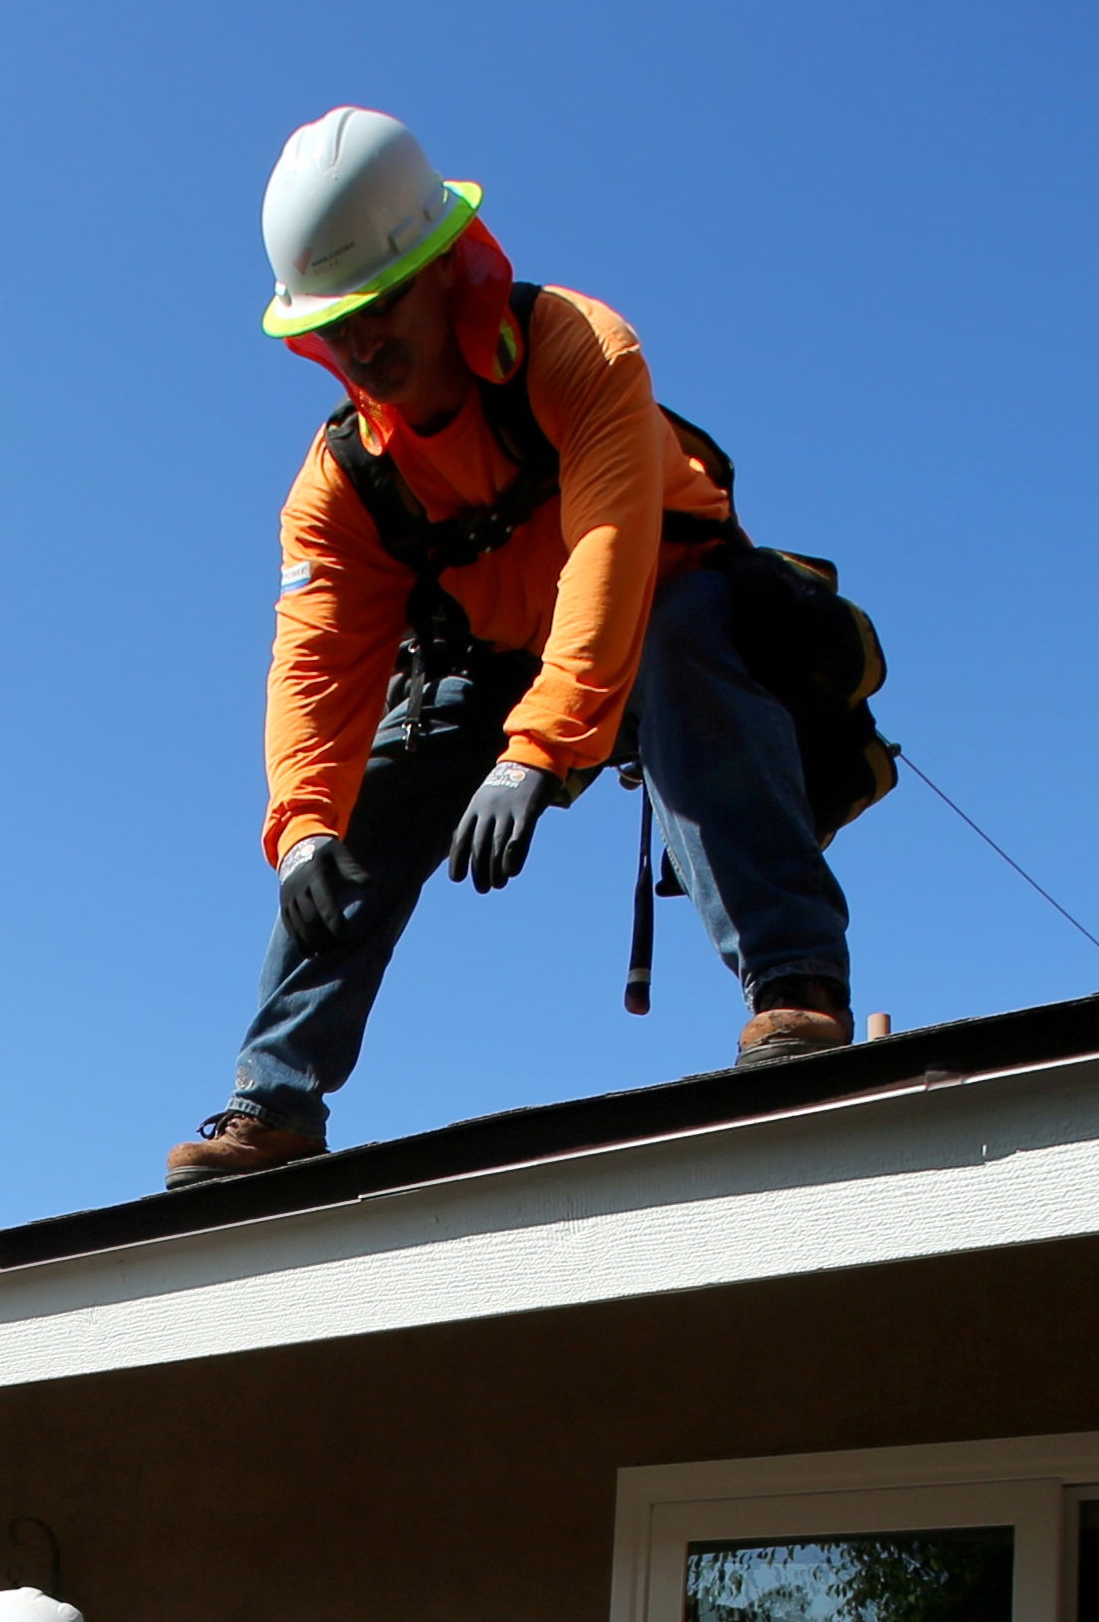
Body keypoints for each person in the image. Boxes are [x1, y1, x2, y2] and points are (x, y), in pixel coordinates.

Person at [168, 105, 857, 1190]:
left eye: (381, 307)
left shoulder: (580, 353)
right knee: (361, 797)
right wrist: (301, 827)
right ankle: (275, 1102)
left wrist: (538, 753)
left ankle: (797, 987)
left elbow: (608, 558)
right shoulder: (343, 481)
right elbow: (316, 664)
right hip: (500, 660)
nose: (362, 345)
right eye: (337, 324)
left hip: (660, 605)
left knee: (683, 643)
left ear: (448, 268)